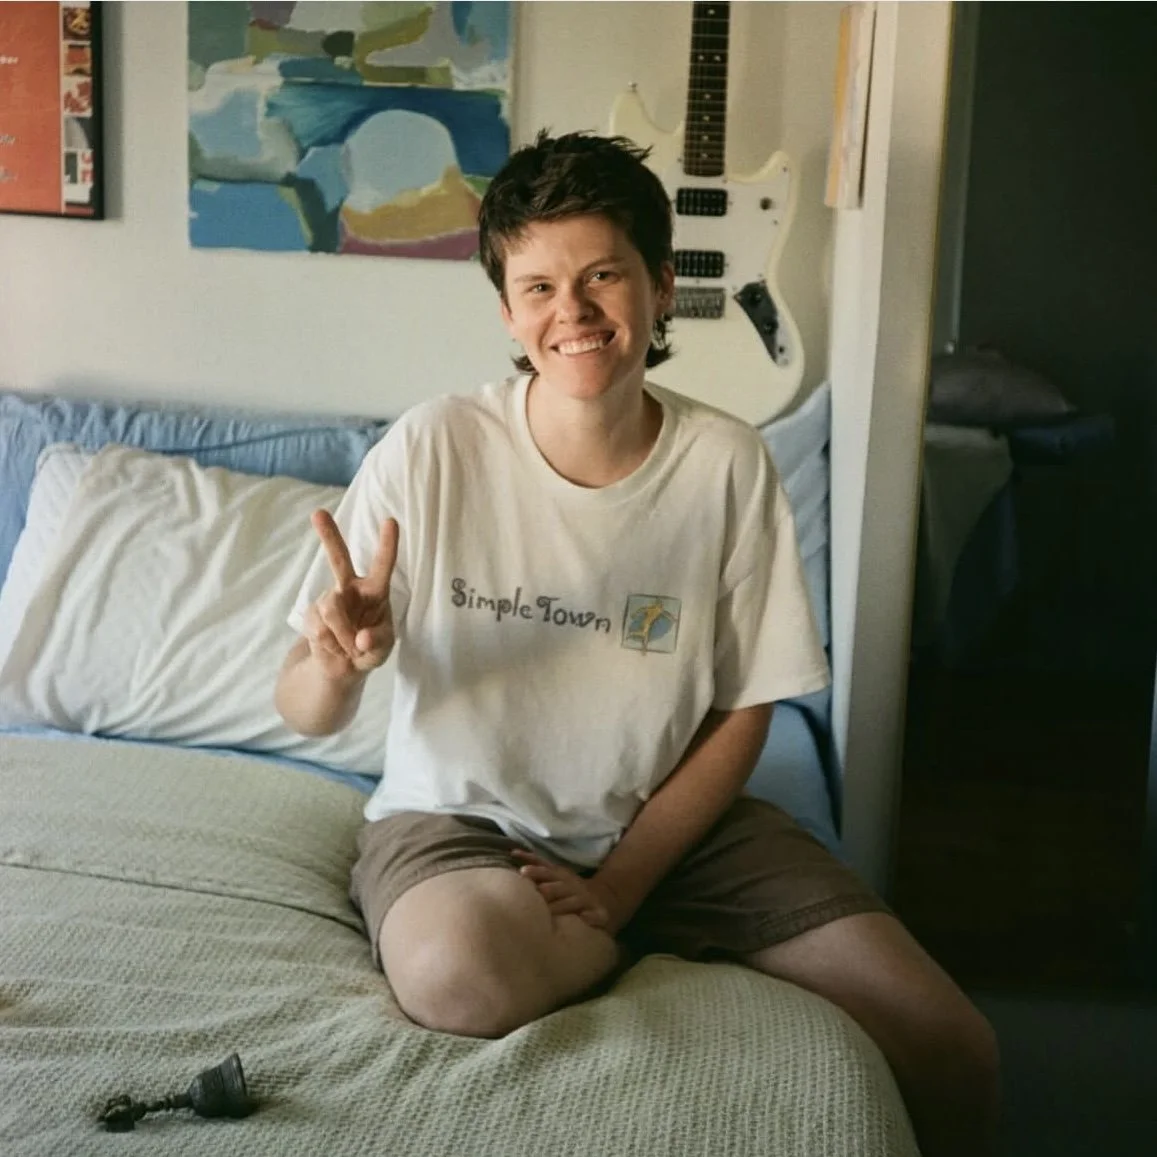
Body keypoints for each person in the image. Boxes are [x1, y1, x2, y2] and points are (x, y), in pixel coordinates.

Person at [275, 131, 999, 1157]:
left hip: (672, 829)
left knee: (952, 1045)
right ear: (505, 312)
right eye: (535, 287)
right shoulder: (434, 445)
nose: (568, 313)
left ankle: (602, 937)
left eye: (599, 275)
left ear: (659, 287)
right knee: (455, 978)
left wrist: (618, 887)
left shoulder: (725, 465)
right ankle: (605, 950)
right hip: (462, 820)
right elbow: (300, 705)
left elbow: (749, 703)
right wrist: (334, 664)